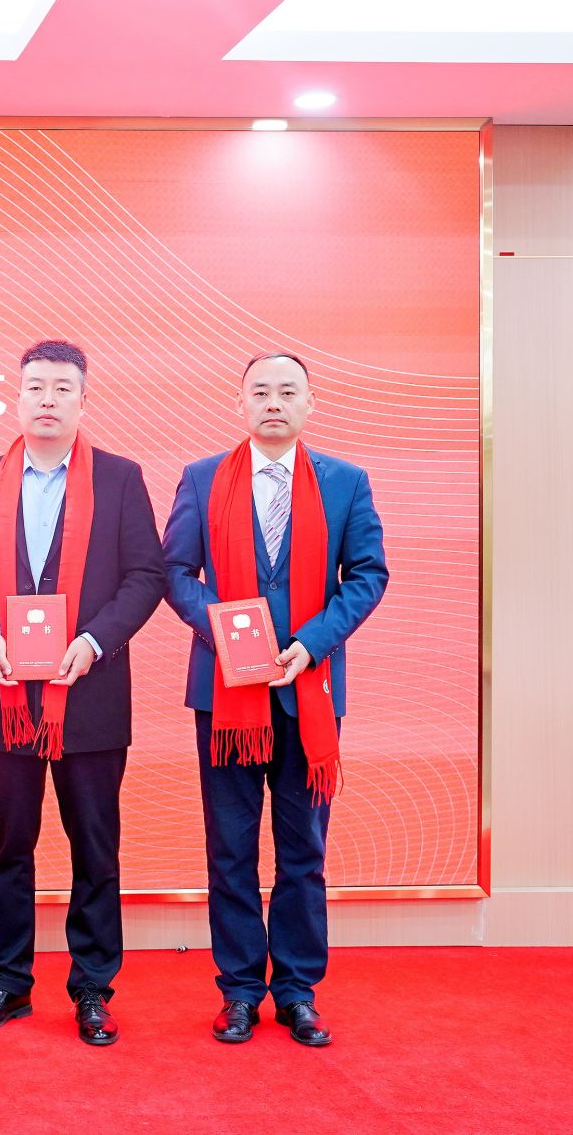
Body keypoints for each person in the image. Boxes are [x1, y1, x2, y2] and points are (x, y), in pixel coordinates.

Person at [161, 352, 388, 1048]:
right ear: (240, 403)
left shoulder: (346, 482)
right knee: (230, 852)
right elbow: (176, 571)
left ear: (310, 404)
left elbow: (368, 574)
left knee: (303, 854)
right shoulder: (202, 478)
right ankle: (238, 992)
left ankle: (296, 991)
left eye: (288, 392)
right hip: (225, 697)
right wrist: (228, 634)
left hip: (308, 695)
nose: (273, 403)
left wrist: (312, 643)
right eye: (260, 392)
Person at [0, 340, 164, 1045]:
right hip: (5, 691)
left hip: (89, 693)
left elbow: (146, 575)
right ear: (16, 398)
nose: (47, 399)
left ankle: (93, 986)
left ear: (83, 400)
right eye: (35, 386)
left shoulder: (121, 479)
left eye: (62, 387)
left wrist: (94, 641)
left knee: (94, 847)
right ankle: (7, 981)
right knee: (9, 846)